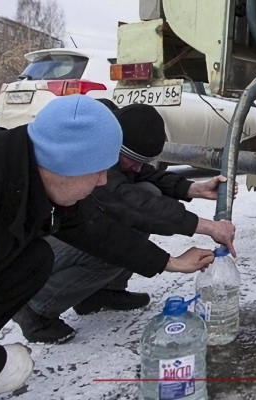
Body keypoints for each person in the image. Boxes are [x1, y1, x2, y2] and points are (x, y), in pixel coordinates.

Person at [0, 95, 214, 400]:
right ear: (68, 163)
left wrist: (169, 262)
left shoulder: (22, 165)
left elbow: (94, 230)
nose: (104, 180)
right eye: (98, 171)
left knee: (31, 260)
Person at [13, 102, 238, 344]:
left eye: (144, 160)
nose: (138, 167)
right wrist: (203, 230)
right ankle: (36, 309)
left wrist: (193, 188)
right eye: (132, 158)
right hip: (38, 245)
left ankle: (101, 293)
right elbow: (126, 205)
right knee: (113, 246)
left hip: (69, 229)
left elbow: (143, 176)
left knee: (147, 193)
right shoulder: (91, 151)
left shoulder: (112, 140)